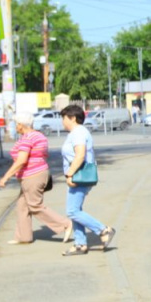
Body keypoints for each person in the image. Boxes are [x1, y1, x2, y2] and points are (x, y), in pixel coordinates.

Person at [0, 112, 72, 245]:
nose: (15, 127)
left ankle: (65, 224)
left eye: (16, 124)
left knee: (34, 205)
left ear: (21, 125)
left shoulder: (27, 138)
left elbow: (21, 160)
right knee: (22, 207)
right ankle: (24, 236)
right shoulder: (39, 135)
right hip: (39, 173)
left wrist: (6, 177)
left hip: (32, 175)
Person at [60, 104, 115, 256]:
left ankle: (103, 230)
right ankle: (80, 244)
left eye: (64, 118)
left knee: (72, 211)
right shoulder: (76, 132)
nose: (62, 122)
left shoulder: (78, 132)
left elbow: (80, 155)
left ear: (72, 118)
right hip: (78, 175)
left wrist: (70, 174)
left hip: (79, 175)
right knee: (75, 211)